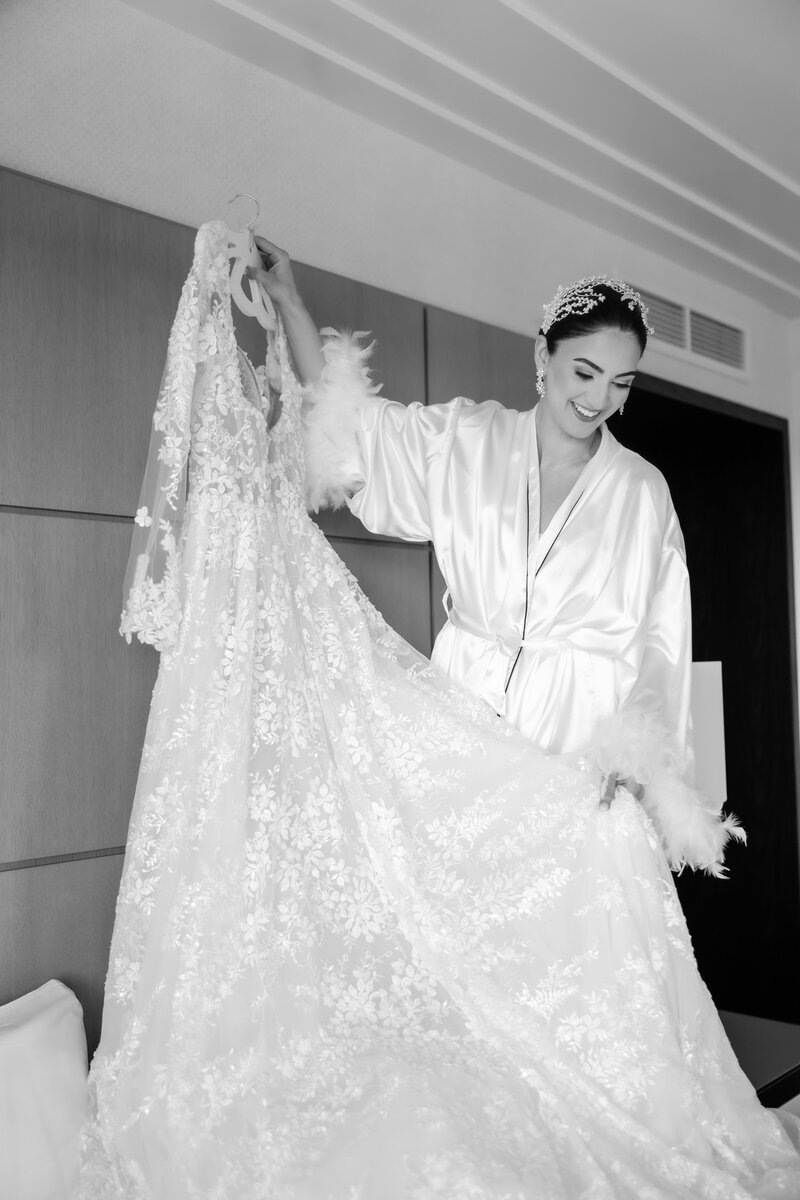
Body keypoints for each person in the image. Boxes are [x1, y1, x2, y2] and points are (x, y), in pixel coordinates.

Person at [77, 222, 800, 1198]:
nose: (596, 399)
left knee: (594, 1024)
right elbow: (352, 441)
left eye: (619, 385)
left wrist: (641, 767)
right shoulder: (465, 440)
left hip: (579, 782)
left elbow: (657, 648)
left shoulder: (641, 494)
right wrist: (288, 305)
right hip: (466, 763)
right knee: (467, 1014)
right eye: (583, 371)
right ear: (541, 356)